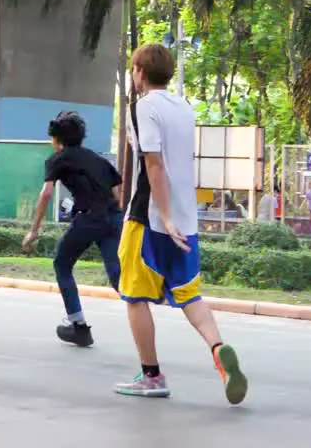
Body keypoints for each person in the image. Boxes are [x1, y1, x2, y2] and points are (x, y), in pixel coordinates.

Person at [115, 43, 248, 405]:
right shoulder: (184, 108)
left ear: (139, 72)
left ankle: (151, 375)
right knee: (190, 295)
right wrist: (178, 218)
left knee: (135, 296)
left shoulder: (144, 107)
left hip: (151, 218)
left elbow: (154, 165)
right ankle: (218, 349)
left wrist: (165, 217)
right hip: (186, 220)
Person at [22, 111, 124, 347]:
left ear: (56, 139)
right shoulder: (97, 159)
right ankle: (147, 298)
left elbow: (46, 193)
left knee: (62, 263)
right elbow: (117, 193)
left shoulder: (57, 159)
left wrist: (34, 230)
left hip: (89, 218)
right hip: (112, 217)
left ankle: (78, 327)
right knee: (117, 273)